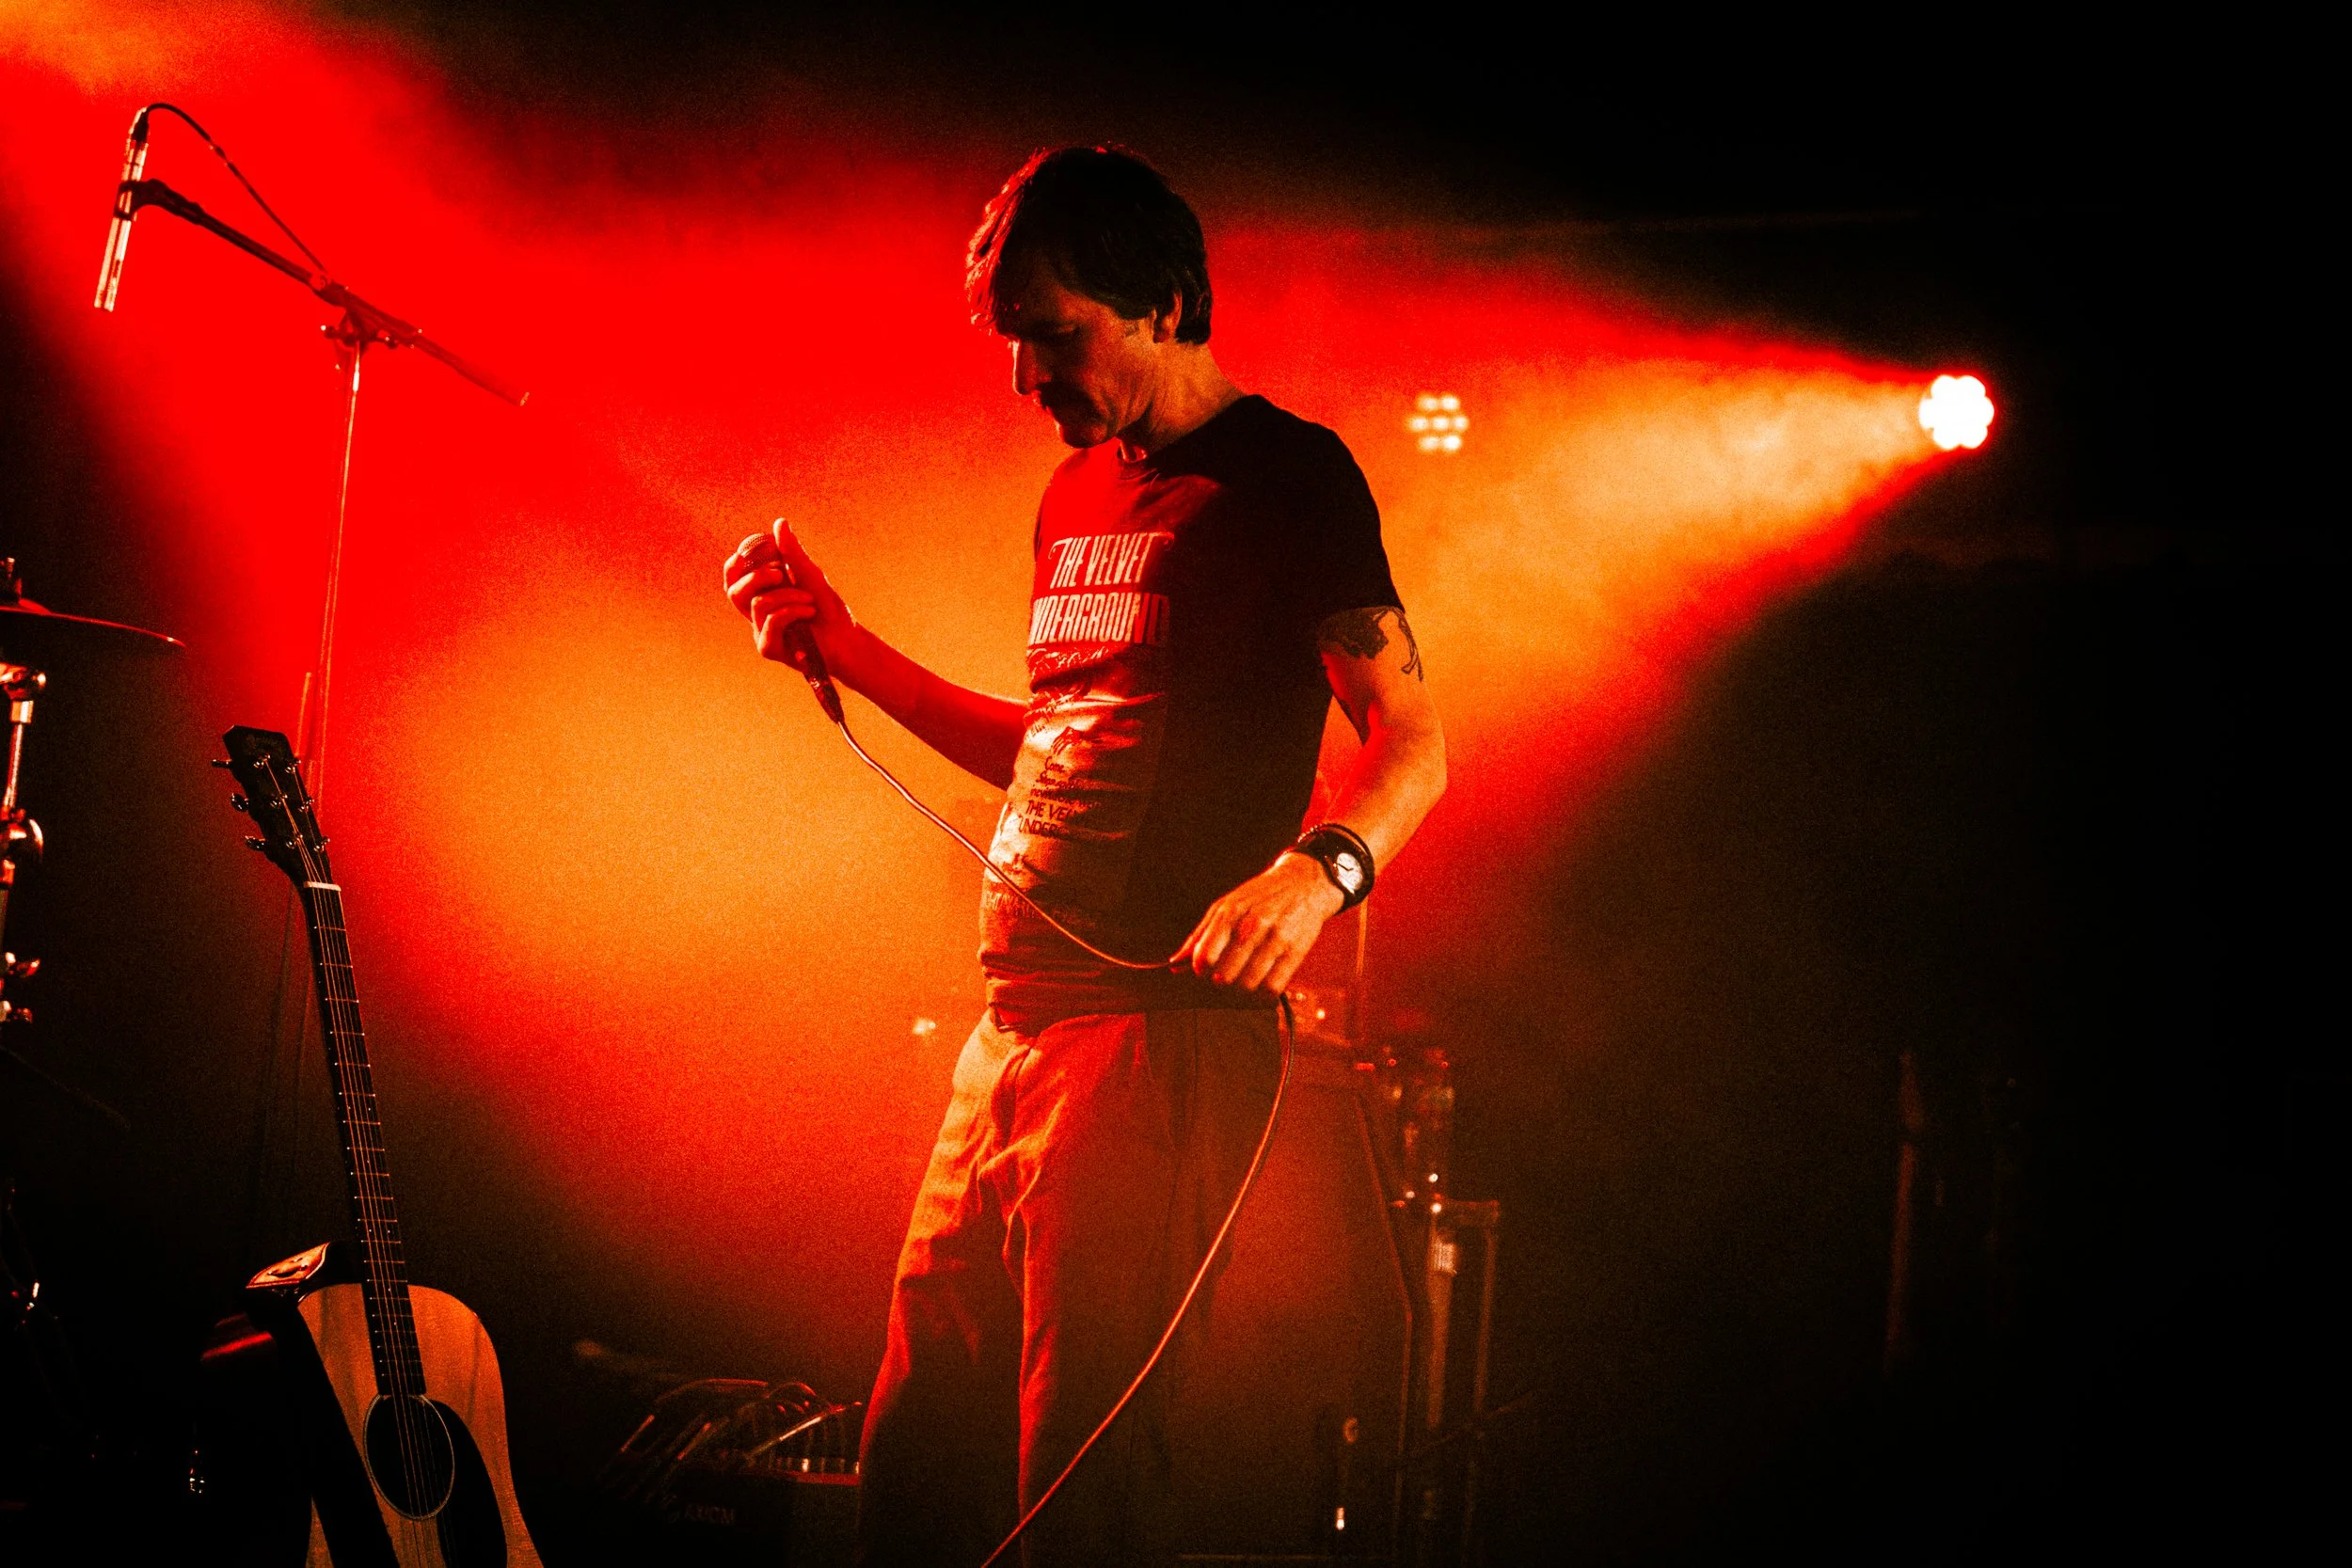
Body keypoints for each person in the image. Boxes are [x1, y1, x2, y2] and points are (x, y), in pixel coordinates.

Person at [722, 146, 1446, 1567]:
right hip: (1009, 1036)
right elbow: (1058, 743)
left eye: (1054, 334)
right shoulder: (1076, 496)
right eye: (1012, 339)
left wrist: (1316, 873)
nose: (1025, 376)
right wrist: (849, 651)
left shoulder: (1287, 480)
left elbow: (1413, 740)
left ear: (1164, 302)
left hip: (1152, 1044)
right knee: (916, 1475)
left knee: (1080, 1497)